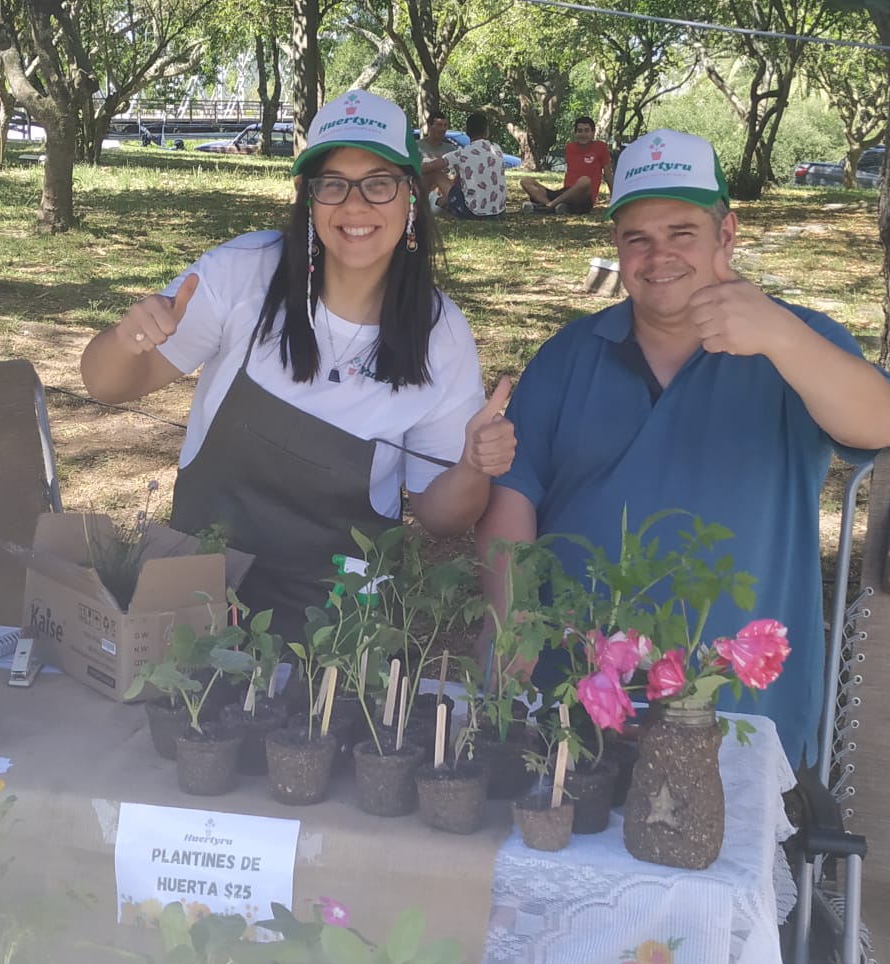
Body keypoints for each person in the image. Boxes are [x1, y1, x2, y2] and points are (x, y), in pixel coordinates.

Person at [476, 130, 890, 767]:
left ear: (726, 234)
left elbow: (879, 425)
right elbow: (513, 502)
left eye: (682, 232)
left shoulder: (796, 342)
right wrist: (507, 642)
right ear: (615, 246)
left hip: (736, 705)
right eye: (637, 238)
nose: (659, 257)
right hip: (580, 692)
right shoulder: (569, 356)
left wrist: (778, 336)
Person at [79, 91, 515, 620]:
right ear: (307, 195)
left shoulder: (441, 334)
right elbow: (105, 384)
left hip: (339, 626)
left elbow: (442, 515)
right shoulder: (244, 273)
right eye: (333, 184)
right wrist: (129, 340)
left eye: (379, 183)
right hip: (198, 603)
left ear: (412, 195)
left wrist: (473, 466)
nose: (355, 206)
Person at [521, 116, 612, 215]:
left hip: (584, 196)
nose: (583, 134)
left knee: (585, 180)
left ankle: (550, 206)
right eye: (580, 131)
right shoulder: (570, 147)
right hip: (564, 194)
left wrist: (614, 196)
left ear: (593, 133)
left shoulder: (601, 147)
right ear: (575, 133)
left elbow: (608, 174)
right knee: (526, 181)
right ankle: (551, 206)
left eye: (587, 131)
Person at [443, 112, 508, 220]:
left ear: (467, 132)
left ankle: (423, 204)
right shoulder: (497, 149)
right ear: (486, 131)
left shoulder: (461, 154)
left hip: (473, 213)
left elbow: (431, 166)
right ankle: (441, 202)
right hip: (499, 212)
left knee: (435, 174)